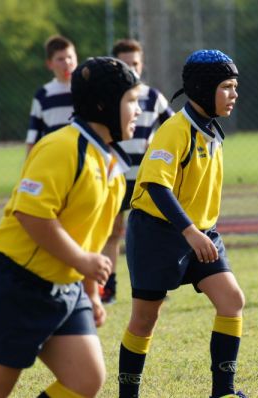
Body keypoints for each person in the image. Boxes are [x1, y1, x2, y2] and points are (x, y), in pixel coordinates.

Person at [0, 57, 141, 398]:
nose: (138, 110)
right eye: (131, 100)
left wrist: (89, 291)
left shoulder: (114, 164)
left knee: (85, 379)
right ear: (103, 104)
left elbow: (90, 237)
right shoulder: (60, 147)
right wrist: (84, 263)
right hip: (10, 282)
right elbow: (32, 217)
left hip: (64, 289)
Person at [117, 49, 246, 398]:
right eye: (228, 87)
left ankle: (224, 392)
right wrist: (189, 231)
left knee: (232, 300)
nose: (234, 94)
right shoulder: (175, 129)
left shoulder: (211, 130)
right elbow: (156, 185)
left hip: (202, 234)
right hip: (158, 234)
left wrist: (199, 231)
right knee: (145, 320)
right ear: (204, 89)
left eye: (235, 86)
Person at [100, 38, 174, 304]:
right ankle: (107, 286)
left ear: (142, 65)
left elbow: (173, 127)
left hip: (145, 179)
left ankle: (153, 286)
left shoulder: (153, 97)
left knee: (150, 232)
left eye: (135, 63)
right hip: (115, 177)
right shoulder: (108, 99)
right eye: (125, 64)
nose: (131, 68)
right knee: (112, 232)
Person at [25, 35, 77, 155]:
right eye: (60, 59)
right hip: (54, 155)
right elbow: (33, 135)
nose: (67, 62)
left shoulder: (87, 90)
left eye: (70, 57)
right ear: (50, 64)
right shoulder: (43, 95)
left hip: (84, 156)